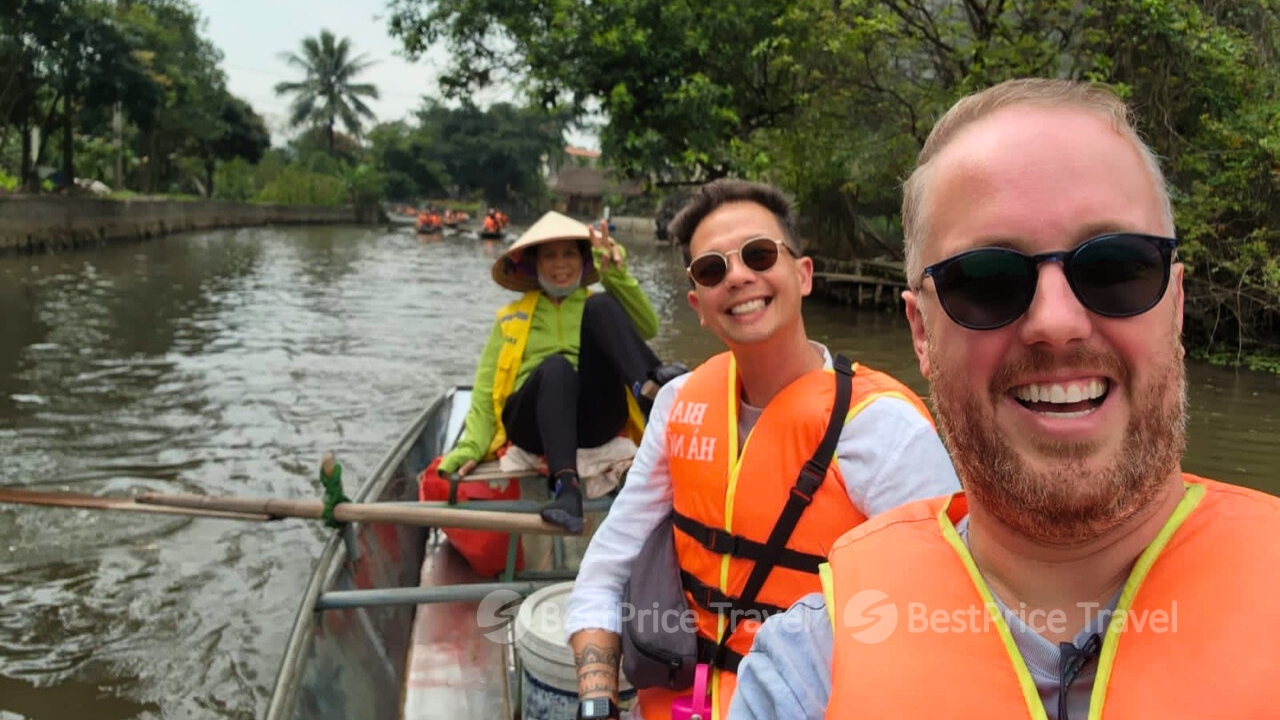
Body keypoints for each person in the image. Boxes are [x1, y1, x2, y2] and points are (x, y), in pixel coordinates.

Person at [727, 78, 1280, 720]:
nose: (1057, 321)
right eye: (985, 280)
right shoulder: (805, 671)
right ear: (921, 334)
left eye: (1115, 267)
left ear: (1176, 306)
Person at [564, 180, 961, 720]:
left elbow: (942, 622)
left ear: (803, 275)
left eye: (759, 254)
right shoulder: (679, 404)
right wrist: (595, 700)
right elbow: (607, 567)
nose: (737, 276)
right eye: (711, 269)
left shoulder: (883, 428)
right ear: (697, 305)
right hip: (677, 701)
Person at [437, 210, 686, 532]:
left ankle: (649, 389)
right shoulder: (510, 318)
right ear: (534, 264)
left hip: (593, 421)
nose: (560, 265)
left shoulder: (598, 307)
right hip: (532, 423)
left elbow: (648, 327)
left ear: (583, 261)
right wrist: (471, 447)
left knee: (601, 306)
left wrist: (615, 276)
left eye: (569, 254)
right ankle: (566, 490)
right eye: (550, 256)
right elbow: (486, 390)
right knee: (556, 367)